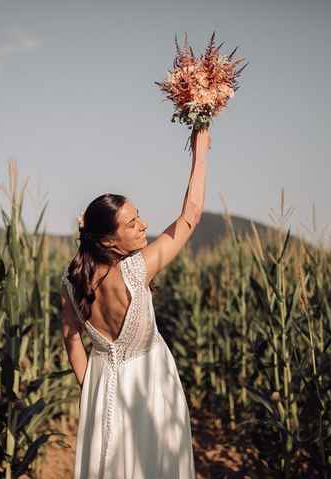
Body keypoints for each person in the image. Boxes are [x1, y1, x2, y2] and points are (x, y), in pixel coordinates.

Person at [60, 128, 210, 478]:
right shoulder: (137, 269)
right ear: (110, 239)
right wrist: (200, 150)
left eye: (138, 215)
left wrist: (92, 391)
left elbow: (71, 341)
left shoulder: (71, 282)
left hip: (102, 388)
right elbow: (191, 215)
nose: (144, 225)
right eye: (132, 223)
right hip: (149, 386)